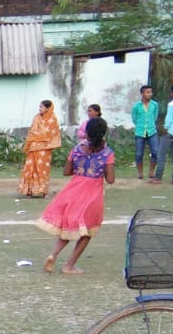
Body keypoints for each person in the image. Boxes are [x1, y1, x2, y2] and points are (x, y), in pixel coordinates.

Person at [38, 116, 116, 275]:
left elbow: (67, 171)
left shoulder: (77, 149)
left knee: (68, 226)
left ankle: (54, 254)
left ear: (86, 132)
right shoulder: (107, 153)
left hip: (74, 190)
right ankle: (69, 265)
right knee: (87, 231)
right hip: (92, 194)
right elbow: (110, 179)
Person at [18, 99, 61, 198]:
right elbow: (32, 131)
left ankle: (43, 192)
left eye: (41, 107)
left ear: (48, 108)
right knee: (30, 168)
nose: (39, 109)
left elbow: (49, 134)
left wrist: (39, 136)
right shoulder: (36, 117)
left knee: (42, 170)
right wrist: (38, 137)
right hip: (33, 147)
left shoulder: (52, 119)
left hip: (45, 149)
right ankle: (29, 191)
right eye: (39, 106)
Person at [131, 84, 159, 180]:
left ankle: (151, 172)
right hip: (140, 132)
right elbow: (134, 118)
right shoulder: (136, 106)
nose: (150, 94)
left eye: (151, 92)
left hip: (152, 131)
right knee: (139, 153)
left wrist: (150, 124)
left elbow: (155, 116)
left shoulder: (155, 105)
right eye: (147, 92)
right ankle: (140, 173)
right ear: (142, 93)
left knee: (155, 152)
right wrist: (140, 125)